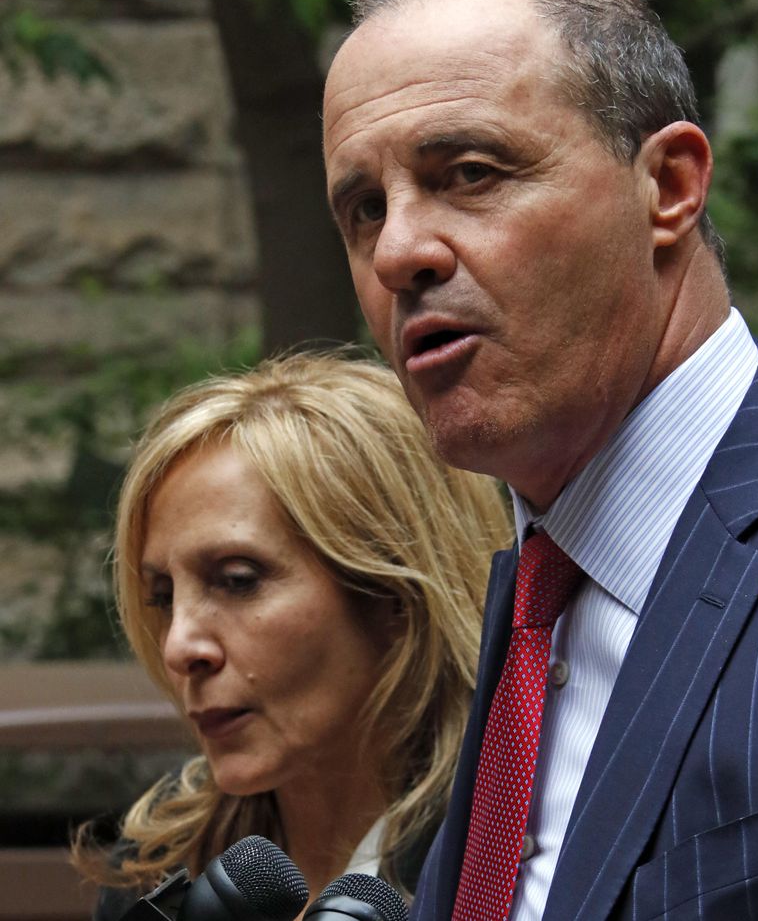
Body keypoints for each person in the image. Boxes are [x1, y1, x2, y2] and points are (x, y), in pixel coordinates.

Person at [322, 0, 758, 920]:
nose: (401, 250)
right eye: (365, 208)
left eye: (470, 174)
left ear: (668, 185)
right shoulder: (538, 592)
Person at [71, 350, 512, 920]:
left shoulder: (519, 846)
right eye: (163, 596)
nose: (180, 646)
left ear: (396, 594)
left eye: (236, 581)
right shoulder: (158, 864)